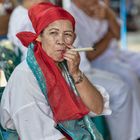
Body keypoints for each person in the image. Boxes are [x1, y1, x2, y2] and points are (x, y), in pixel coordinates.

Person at [0, 2, 111, 140]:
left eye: (67, 34)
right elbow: (42, 136)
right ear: (39, 37)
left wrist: (76, 73)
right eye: (53, 33)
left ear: (73, 39)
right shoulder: (26, 77)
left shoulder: (66, 67)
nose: (61, 41)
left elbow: (97, 107)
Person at [67, 0, 140, 140]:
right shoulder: (72, 16)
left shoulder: (100, 6)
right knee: (128, 78)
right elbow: (90, 54)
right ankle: (132, 133)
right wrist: (108, 35)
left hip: (116, 53)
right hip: (98, 61)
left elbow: (118, 33)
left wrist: (108, 14)